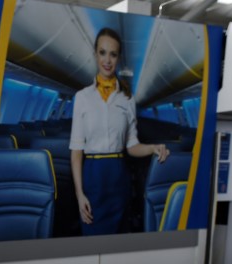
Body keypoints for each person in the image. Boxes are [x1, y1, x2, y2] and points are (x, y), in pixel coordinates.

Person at [70, 27, 170, 236]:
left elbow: (131, 146)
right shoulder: (82, 98)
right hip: (93, 178)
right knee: (92, 239)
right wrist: (79, 195)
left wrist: (153, 148)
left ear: (118, 58)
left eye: (113, 54)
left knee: (118, 244)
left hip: (118, 178)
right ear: (95, 54)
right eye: (103, 52)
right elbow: (76, 152)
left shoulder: (127, 99)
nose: (107, 60)